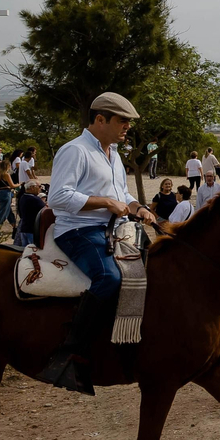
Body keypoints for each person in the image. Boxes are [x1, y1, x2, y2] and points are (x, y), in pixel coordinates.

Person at [39, 92, 156, 394]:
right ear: (100, 119)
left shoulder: (113, 153)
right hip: (79, 231)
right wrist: (105, 202)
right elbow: (58, 197)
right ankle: (70, 355)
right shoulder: (75, 151)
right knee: (109, 278)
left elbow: (122, 195)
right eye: (122, 120)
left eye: (128, 121)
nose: (127, 126)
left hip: (112, 229)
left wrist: (138, 207)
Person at [16, 180, 45, 247]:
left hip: (24, 228)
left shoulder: (23, 197)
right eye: (39, 186)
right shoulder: (34, 199)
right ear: (32, 187)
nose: (40, 188)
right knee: (33, 250)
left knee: (25, 249)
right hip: (32, 230)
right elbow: (44, 210)